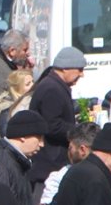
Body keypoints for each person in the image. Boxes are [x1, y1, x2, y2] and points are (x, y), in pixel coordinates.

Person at [29, 47, 86, 193]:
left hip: (52, 158)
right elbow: (52, 125)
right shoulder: (51, 88)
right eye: (79, 69)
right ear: (65, 68)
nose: (82, 74)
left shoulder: (55, 85)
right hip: (50, 161)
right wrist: (78, 132)